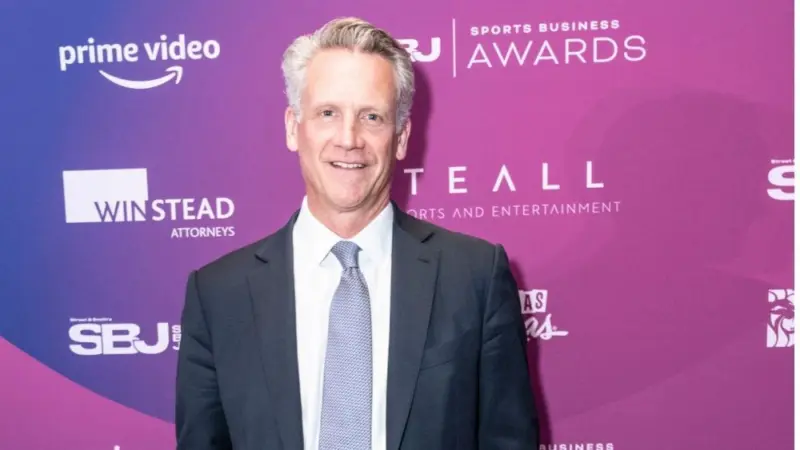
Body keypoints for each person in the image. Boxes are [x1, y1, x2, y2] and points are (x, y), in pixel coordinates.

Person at [175, 16, 538, 450]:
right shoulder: (219, 294)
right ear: (294, 128)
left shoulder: (474, 276)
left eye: (372, 116)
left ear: (401, 138)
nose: (349, 139)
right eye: (328, 113)